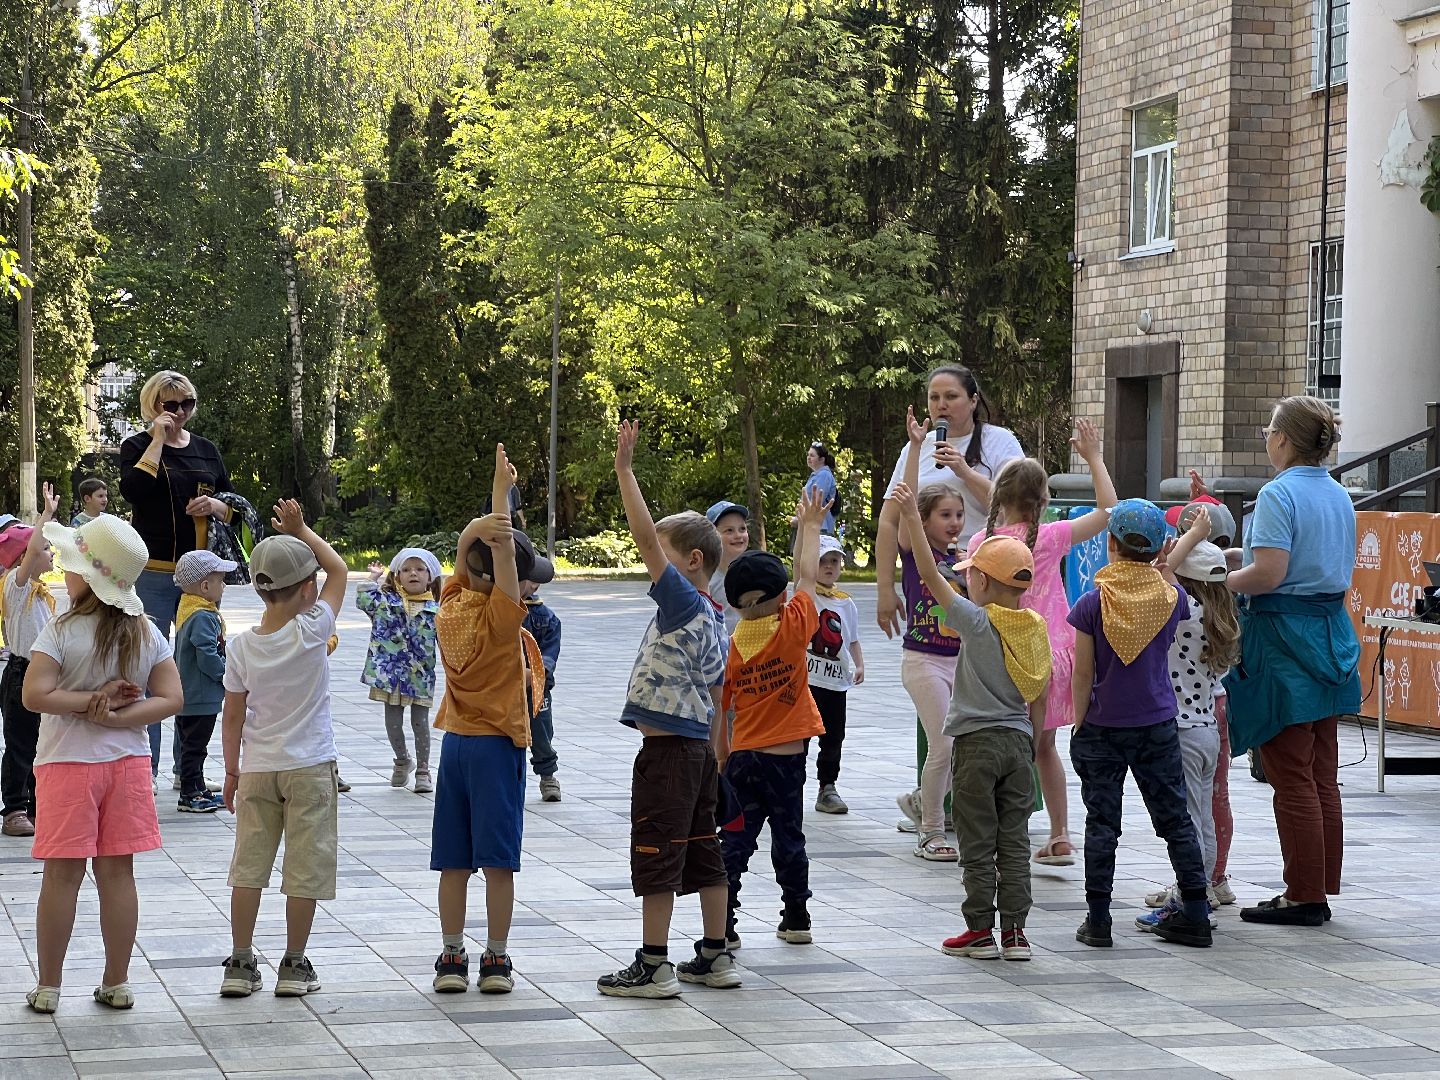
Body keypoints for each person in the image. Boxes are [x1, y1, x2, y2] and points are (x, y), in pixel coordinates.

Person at [21, 514, 183, 1013]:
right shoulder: (145, 632)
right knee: (118, 876)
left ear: (84, 578)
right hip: (128, 762)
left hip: (67, 764)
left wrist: (89, 701)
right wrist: (117, 717)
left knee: (62, 877)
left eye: (68, 566)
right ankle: (117, 980)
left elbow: (34, 695)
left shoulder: (61, 628)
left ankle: (49, 986)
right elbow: (172, 698)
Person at [598, 421, 735, 999]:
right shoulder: (714, 616)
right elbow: (720, 693)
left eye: (664, 555)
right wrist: (719, 754)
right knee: (704, 851)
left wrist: (625, 472)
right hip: (698, 751)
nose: (650, 563)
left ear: (694, 561)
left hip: (670, 754)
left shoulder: (682, 600)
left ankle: (655, 964)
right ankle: (714, 954)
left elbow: (646, 540)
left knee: (656, 850)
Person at [896, 487, 1051, 961]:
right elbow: (1040, 693)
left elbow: (927, 573)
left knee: (979, 841)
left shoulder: (978, 622)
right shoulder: (1035, 627)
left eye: (971, 579)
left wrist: (910, 515)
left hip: (977, 747)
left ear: (981, 582)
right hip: (1018, 744)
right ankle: (1017, 935)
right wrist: (1033, 742)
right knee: (1015, 841)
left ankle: (979, 930)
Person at [1223, 396, 1358, 927]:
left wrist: (1219, 581)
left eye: (1269, 430)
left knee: (1290, 772)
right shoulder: (1338, 492)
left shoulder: (1278, 494)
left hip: (1284, 641)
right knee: (1322, 770)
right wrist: (1240, 558)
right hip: (1330, 637)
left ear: (1283, 439)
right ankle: (1318, 883)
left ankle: (1302, 895)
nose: (1265, 438)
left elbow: (1271, 574)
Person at [970, 417, 1118, 867]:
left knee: (1001, 745)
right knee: (1043, 748)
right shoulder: (1051, 537)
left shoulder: (981, 542)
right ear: (1043, 501)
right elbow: (1109, 510)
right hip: (1052, 655)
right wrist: (1093, 457)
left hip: (1001, 657)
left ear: (999, 496)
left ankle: (1001, 827)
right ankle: (1059, 833)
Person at [1067, 498, 1212, 950]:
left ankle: (1098, 920)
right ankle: (1195, 915)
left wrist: (1077, 722)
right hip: (1158, 724)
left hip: (1102, 727)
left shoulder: (1094, 602)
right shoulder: (1171, 600)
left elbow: (1082, 671)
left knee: (1102, 824)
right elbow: (1169, 578)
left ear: (1110, 544)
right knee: (1176, 823)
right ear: (1156, 550)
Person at [430, 446, 549, 996]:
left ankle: (451, 954)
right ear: (511, 581)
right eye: (527, 580)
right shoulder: (504, 621)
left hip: (455, 746)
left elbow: (470, 556)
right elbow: (497, 561)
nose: (528, 588)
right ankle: (496, 959)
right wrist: (499, 498)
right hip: (497, 748)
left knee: (454, 862)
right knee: (498, 862)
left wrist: (483, 516)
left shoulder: (450, 605)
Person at [218, 500, 347, 999]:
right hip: (310, 767)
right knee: (304, 867)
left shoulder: (242, 647)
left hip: (257, 770)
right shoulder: (314, 630)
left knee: (249, 865)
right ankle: (293, 964)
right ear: (308, 588)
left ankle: (241, 960)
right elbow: (338, 569)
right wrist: (303, 529)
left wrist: (231, 770)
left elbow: (232, 714)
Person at [720, 488, 829, 948]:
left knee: (735, 844)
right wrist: (810, 525)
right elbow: (807, 574)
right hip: (787, 761)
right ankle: (797, 918)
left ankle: (723, 924)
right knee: (790, 837)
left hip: (743, 760)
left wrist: (721, 758)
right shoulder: (793, 625)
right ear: (782, 595)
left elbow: (724, 710)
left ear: (736, 606)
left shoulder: (733, 650)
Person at [119, 370, 235, 790]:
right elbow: (133, 491)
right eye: (171, 405)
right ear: (154, 405)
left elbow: (235, 504)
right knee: (148, 666)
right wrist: (156, 439)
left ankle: (187, 770)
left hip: (200, 578)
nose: (181, 412)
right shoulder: (135, 445)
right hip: (151, 571)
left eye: (188, 403)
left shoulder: (205, 450)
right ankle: (143, 766)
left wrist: (218, 506)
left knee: (196, 669)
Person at [1140, 511, 1241, 925]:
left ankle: (1188, 896)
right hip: (1207, 731)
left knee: (1185, 822)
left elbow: (1158, 573)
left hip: (1177, 732)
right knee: (1203, 814)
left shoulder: (1181, 613)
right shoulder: (1223, 618)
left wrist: (1192, 535)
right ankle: (1207, 885)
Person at [876, 365, 1025, 638]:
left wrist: (965, 472)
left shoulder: (1001, 441)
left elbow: (1016, 509)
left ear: (973, 400)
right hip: (927, 569)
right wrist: (884, 588)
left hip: (988, 568)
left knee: (983, 655)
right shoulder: (915, 446)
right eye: (934, 398)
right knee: (932, 655)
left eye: (951, 396)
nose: (941, 405)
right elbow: (889, 520)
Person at [892, 411, 966, 861]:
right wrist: (916, 448)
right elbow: (907, 504)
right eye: (945, 515)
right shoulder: (916, 550)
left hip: (962, 661)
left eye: (958, 514)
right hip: (923, 661)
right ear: (925, 519)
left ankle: (923, 802)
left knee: (959, 747)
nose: (954, 522)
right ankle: (932, 831)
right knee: (945, 743)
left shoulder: (964, 555)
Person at [0, 483, 60, 838]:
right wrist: (45, 516)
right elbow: (34, 545)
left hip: (43, 675)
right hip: (22, 675)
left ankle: (39, 806)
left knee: (43, 742)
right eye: (45, 548)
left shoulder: (43, 593)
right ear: (26, 556)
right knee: (21, 744)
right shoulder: (15, 585)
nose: (51, 553)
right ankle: (15, 809)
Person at [357, 547, 441, 794]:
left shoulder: (437, 609)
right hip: (390, 673)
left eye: (419, 569)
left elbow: (447, 643)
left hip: (420, 675)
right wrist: (372, 577)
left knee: (420, 721)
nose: (412, 574)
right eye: (406, 570)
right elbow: (363, 600)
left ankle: (424, 770)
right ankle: (402, 760)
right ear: (397, 576)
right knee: (392, 719)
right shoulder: (385, 603)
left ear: (430, 577)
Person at [172, 549, 236, 814]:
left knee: (194, 745)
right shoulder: (203, 617)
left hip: (192, 694)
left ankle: (198, 786)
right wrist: (227, 675)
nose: (224, 586)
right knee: (195, 747)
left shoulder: (190, 610)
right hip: (200, 696)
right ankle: (189, 793)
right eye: (221, 581)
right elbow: (207, 654)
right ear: (205, 586)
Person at [808, 534, 863, 814]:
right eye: (823, 561)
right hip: (808, 682)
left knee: (833, 736)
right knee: (800, 734)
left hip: (836, 683)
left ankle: (827, 786)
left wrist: (860, 664)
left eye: (834, 561)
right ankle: (790, 783)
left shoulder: (846, 603)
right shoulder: (806, 595)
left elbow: (852, 638)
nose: (829, 566)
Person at [522, 583, 563, 802]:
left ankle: (548, 775)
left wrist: (537, 672)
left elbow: (550, 650)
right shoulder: (495, 607)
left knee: (541, 731)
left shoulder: (544, 616)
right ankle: (509, 777)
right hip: (501, 684)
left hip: (537, 685)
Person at [706, 500, 749, 629]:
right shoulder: (707, 578)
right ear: (711, 536)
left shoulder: (753, 573)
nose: (738, 535)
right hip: (721, 646)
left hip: (751, 646)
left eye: (742, 529)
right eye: (729, 530)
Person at [804, 442, 839, 535]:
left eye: (812, 455)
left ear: (822, 459)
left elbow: (816, 503)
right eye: (808, 455)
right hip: (814, 525)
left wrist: (800, 519)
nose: (808, 458)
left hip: (821, 527)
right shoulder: (817, 475)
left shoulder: (824, 475)